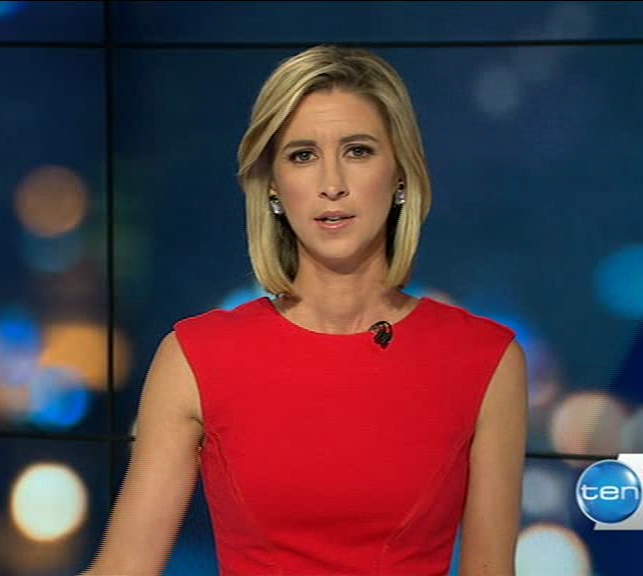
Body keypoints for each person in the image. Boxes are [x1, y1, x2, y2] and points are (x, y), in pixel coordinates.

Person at [83, 44, 527, 576]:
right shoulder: (195, 356)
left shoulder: (485, 360)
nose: (331, 184)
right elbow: (124, 566)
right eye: (302, 155)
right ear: (273, 186)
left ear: (401, 173)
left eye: (358, 151)